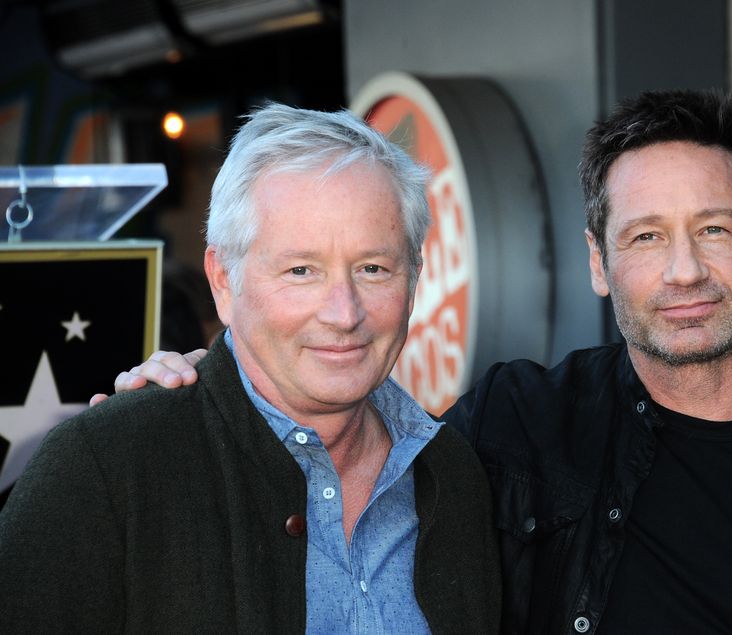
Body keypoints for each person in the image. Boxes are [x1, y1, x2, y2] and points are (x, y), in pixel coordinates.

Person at [92, 90, 732, 633]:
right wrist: (193, 404)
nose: (685, 270)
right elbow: (340, 450)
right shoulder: (519, 426)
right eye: (648, 235)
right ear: (597, 262)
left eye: (715, 230)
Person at [0, 102, 500, 633]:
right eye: (301, 270)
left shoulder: (452, 472)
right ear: (221, 280)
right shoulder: (105, 470)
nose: (344, 313)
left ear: (415, 277)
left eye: (373, 268)